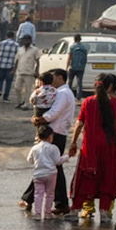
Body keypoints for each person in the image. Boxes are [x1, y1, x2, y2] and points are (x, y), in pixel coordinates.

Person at [70, 72, 116, 225]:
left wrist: (73, 143)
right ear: (110, 86)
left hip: (90, 146)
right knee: (107, 176)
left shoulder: (88, 102)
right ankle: (104, 212)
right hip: (109, 147)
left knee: (85, 177)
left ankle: (76, 209)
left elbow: (79, 123)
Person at [22, 70, 75, 216]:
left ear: (60, 77)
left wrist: (39, 119)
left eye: (54, 78)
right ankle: (30, 198)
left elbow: (54, 112)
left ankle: (60, 203)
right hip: (55, 131)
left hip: (55, 132)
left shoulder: (63, 93)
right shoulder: (61, 92)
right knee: (50, 166)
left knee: (50, 166)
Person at [25, 120, 65, 222]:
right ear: (50, 137)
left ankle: (38, 214)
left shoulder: (34, 148)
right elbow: (57, 161)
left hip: (38, 174)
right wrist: (67, 157)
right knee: (50, 194)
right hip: (51, 174)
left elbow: (29, 160)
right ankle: (47, 213)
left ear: (38, 137)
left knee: (38, 194)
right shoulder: (54, 148)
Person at [12, 36, 42, 109]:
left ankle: (27, 104)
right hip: (20, 72)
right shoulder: (20, 50)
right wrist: (14, 70)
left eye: (28, 40)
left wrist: (36, 71)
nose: (26, 42)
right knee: (17, 88)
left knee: (28, 90)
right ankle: (20, 101)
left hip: (29, 73)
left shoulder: (34, 50)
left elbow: (37, 61)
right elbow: (17, 60)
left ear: (31, 41)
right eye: (25, 40)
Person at [0, 31, 19, 102]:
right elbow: (17, 56)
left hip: (1, 64)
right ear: (13, 37)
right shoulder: (16, 45)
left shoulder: (1, 43)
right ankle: (5, 96)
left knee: (0, 80)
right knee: (8, 82)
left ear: (6, 36)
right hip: (10, 65)